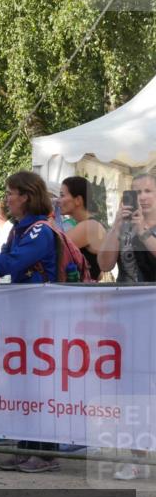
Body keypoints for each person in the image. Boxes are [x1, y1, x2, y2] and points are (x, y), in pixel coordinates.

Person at [0, 171, 59, 474]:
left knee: (39, 385)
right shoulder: (20, 229)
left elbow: (9, 265)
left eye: (11, 193)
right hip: (24, 318)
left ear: (26, 196)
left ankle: (45, 454)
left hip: (42, 318)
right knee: (24, 385)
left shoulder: (39, 231)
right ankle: (26, 447)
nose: (7, 199)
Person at [97, 172, 156, 480]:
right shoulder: (124, 225)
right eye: (136, 192)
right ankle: (138, 458)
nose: (142, 197)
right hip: (129, 322)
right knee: (134, 389)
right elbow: (104, 264)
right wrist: (118, 224)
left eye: (148, 191)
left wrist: (144, 230)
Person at [58, 176, 107, 281]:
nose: (58, 201)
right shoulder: (86, 224)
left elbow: (54, 246)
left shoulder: (90, 226)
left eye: (62, 195)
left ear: (78, 200)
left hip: (84, 294)